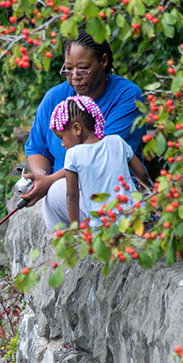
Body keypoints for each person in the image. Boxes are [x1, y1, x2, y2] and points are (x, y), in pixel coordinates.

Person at [23, 31, 144, 228]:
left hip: (112, 192)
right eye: (68, 69)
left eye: (83, 69)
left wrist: (51, 181)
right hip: (69, 196)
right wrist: (41, 176)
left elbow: (100, 157)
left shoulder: (127, 96)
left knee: (56, 190)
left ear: (103, 61)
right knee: (54, 192)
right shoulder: (55, 97)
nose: (75, 77)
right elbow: (37, 148)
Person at [50, 95, 152, 228]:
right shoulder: (117, 141)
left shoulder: (72, 155)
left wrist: (75, 229)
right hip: (135, 217)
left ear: (77, 129)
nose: (63, 144)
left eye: (61, 137)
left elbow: (72, 197)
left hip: (104, 225)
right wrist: (150, 198)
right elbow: (142, 174)